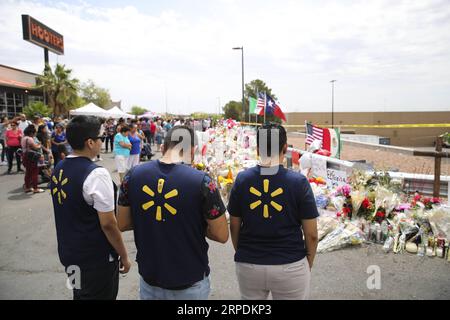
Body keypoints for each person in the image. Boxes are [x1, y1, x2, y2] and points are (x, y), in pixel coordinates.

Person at [117, 125, 229, 300]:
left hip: (150, 280)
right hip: (189, 281)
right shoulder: (202, 182)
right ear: (192, 150)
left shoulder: (132, 176)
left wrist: (149, 221)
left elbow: (122, 223)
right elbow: (221, 234)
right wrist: (192, 224)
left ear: (163, 147)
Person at [227, 123, 319, 300]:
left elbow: (234, 225)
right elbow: (312, 234)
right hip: (290, 264)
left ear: (258, 148)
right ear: (285, 147)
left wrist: (244, 253)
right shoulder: (299, 183)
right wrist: (307, 262)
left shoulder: (242, 180)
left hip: (249, 263)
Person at [50, 115, 131, 300]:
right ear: (90, 142)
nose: (102, 142)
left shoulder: (60, 167)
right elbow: (109, 224)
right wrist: (123, 256)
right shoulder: (96, 174)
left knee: (79, 294)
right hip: (95, 260)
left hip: (70, 255)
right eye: (100, 138)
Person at [21, 125, 44, 193]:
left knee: (28, 172)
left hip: (25, 156)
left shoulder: (23, 138)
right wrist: (39, 145)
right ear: (31, 133)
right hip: (31, 157)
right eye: (34, 133)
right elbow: (36, 148)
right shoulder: (30, 139)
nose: (34, 135)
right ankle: (35, 188)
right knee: (35, 172)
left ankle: (27, 187)